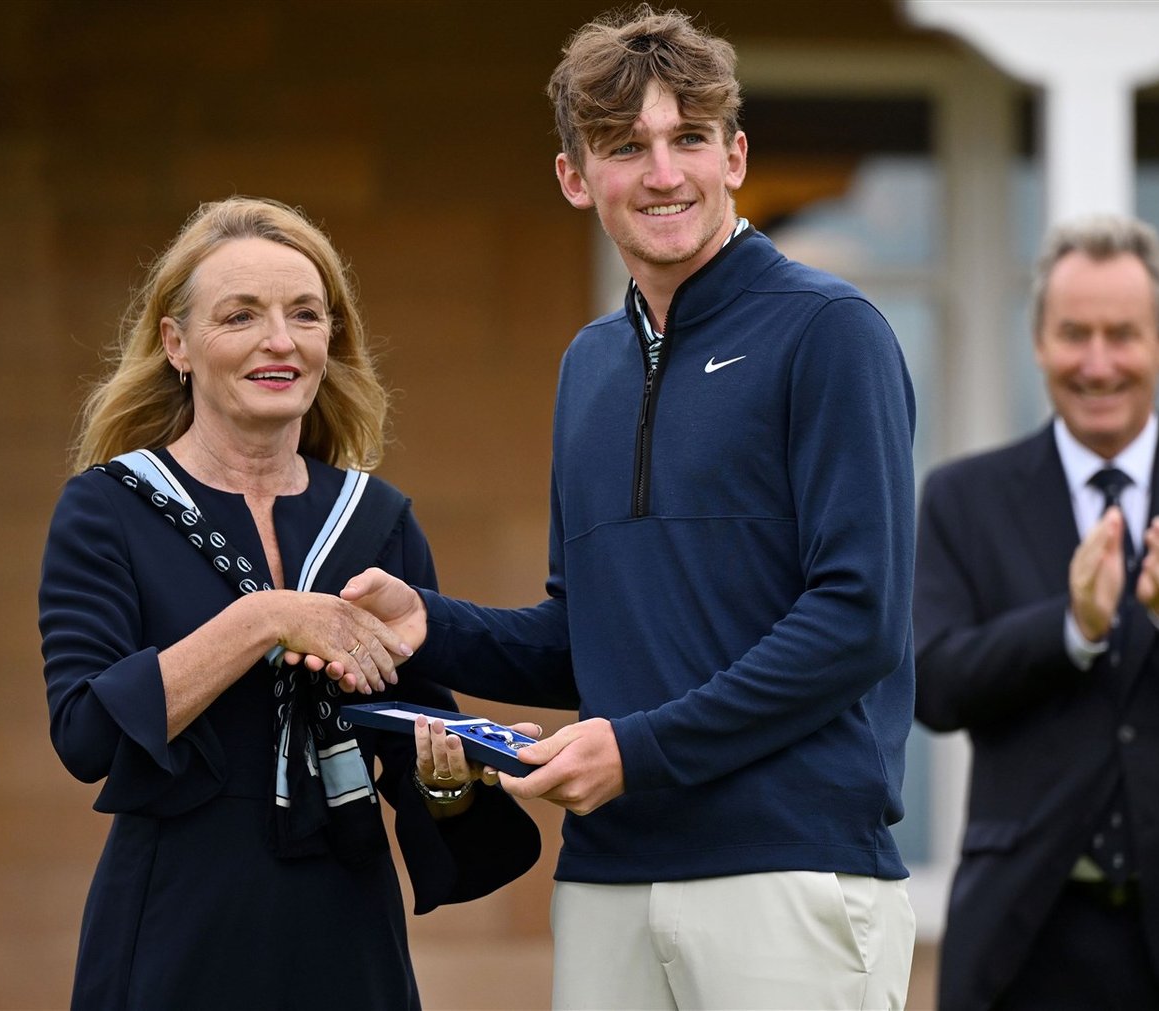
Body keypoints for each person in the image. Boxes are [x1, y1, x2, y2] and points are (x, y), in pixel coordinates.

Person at [327, 6, 919, 1007]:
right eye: (623, 147)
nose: (661, 173)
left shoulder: (831, 333)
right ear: (573, 176)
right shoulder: (588, 366)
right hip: (608, 885)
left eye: (688, 138)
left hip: (787, 877)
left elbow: (855, 622)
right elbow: (587, 637)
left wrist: (635, 751)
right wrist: (434, 630)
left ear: (734, 155)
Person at [39, 196, 541, 1010]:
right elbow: (86, 731)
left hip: (345, 933)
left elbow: (414, 738)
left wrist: (459, 773)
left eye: (305, 314)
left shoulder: (377, 519)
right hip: (174, 931)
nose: (280, 340)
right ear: (178, 344)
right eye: (241, 316)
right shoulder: (107, 508)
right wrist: (268, 615)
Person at [913, 213, 1159, 1011]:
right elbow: (930, 682)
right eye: (1074, 334)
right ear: (1038, 341)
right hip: (1026, 939)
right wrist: (1071, 628)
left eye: (1122, 336)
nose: (1097, 363)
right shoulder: (963, 497)